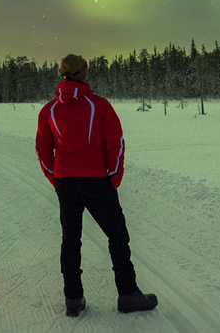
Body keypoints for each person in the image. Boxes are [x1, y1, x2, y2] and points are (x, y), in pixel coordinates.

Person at [36, 54, 158, 317]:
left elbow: (43, 149)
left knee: (71, 239)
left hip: (66, 182)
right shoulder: (99, 105)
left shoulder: (49, 110)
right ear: (83, 74)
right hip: (96, 181)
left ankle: (73, 299)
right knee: (117, 236)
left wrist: (54, 177)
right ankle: (127, 294)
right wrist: (113, 177)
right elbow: (116, 142)